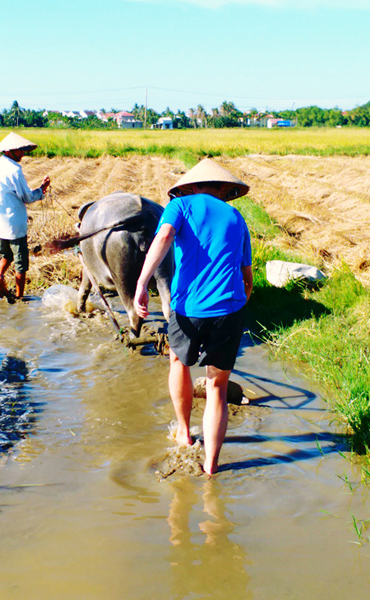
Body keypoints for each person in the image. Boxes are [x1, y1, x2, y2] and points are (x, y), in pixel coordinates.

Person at [134, 158, 253, 475]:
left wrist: (142, 283)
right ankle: (212, 467)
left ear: (189, 186)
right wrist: (238, 308)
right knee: (217, 388)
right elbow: (247, 276)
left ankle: (185, 433)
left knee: (178, 362)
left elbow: (162, 239)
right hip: (229, 310)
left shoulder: (180, 206)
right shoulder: (236, 216)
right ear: (223, 190)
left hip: (188, 309)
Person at [0, 132, 51, 303]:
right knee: (21, 263)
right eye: (19, 150)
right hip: (14, 224)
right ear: (9, 151)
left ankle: (0, 277)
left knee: (6, 255)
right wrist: (41, 190)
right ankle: (19, 297)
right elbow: (27, 197)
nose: (22, 153)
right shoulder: (14, 170)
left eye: (23, 150)